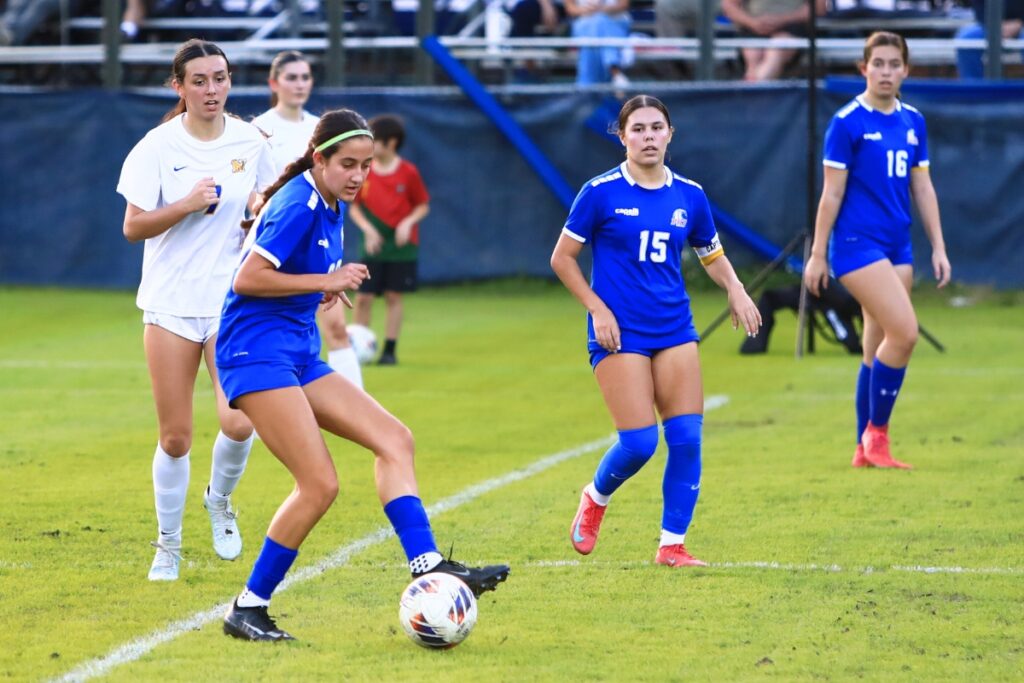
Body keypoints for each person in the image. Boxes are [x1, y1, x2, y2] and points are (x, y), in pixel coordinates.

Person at [214, 109, 509, 641]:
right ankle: (248, 607)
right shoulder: (299, 204)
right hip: (256, 356)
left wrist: (317, 287)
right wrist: (324, 278)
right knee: (319, 484)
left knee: (394, 439)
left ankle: (428, 567)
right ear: (319, 158)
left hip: (296, 354)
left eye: (366, 166)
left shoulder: (330, 203)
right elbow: (248, 278)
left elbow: (288, 278)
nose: (357, 176)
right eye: (347, 164)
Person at [550, 94, 761, 568]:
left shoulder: (690, 194)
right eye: (638, 129)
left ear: (670, 134)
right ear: (622, 137)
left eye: (656, 128)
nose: (648, 137)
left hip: (674, 328)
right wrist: (597, 310)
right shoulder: (600, 192)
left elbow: (711, 251)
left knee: (686, 437)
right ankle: (595, 498)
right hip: (619, 333)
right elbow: (562, 258)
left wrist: (736, 288)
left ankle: (672, 545)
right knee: (640, 443)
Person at [117, 39, 276, 581]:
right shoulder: (155, 146)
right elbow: (133, 226)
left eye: (221, 78)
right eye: (200, 81)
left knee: (239, 421)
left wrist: (258, 212)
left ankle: (220, 500)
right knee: (176, 437)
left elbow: (268, 203)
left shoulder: (252, 140)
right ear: (178, 87)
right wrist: (185, 204)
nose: (212, 90)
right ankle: (168, 544)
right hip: (169, 304)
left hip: (232, 303)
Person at [804, 31, 951, 470]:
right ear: (863, 67)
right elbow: (831, 195)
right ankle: (878, 436)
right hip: (855, 245)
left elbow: (922, 187)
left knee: (874, 349)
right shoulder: (847, 122)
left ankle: (861, 449)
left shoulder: (912, 121)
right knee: (904, 334)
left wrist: (939, 246)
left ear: (905, 69)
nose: (886, 71)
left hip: (897, 244)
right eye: (878, 63)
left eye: (894, 63)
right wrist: (817, 254)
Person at [252, 50, 364, 389]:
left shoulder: (322, 127)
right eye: (291, 77)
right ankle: (257, 417)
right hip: (278, 246)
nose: (300, 84)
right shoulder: (259, 130)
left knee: (336, 328)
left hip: (317, 246)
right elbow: (252, 193)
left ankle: (356, 414)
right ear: (274, 83)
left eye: (305, 77)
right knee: (269, 340)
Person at [350, 114, 430, 367]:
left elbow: (422, 205)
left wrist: (408, 223)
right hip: (374, 245)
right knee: (363, 296)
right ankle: (357, 347)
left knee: (394, 296)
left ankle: (389, 350)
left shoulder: (408, 172)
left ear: (391, 143)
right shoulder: (365, 171)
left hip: (401, 247)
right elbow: (354, 207)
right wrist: (368, 229)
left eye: (376, 141)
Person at [720, 0, 826, 81]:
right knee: (753, 55)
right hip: (753, 29)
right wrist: (752, 23)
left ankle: (751, 97)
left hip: (791, 29)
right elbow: (729, 6)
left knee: (776, 51)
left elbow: (819, 8)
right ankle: (756, 97)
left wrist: (783, 19)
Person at [564, 0, 632, 88]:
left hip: (615, 25)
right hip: (584, 25)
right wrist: (586, 10)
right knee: (596, 24)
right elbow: (570, 9)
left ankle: (585, 86)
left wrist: (601, 9)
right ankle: (614, 70)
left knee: (600, 22)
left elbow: (623, 5)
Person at [955, 0, 1024, 80]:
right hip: (990, 25)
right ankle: (974, 88)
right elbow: (979, 9)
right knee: (966, 39)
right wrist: (995, 25)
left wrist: (1020, 23)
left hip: (1021, 26)